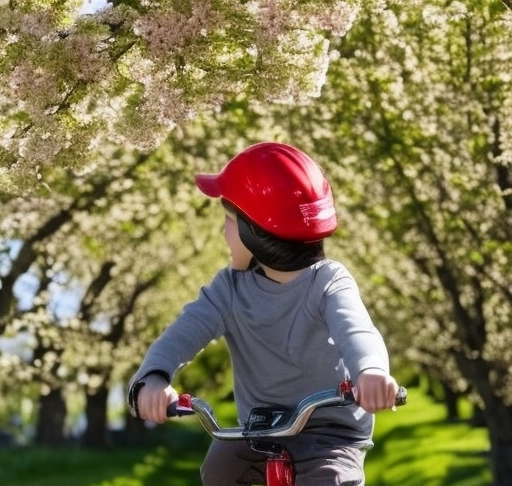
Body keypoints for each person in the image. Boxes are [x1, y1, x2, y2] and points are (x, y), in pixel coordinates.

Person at [128, 142, 400, 486]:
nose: (224, 232)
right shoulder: (228, 289)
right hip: (259, 429)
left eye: (230, 221)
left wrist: (371, 372)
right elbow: (185, 331)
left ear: (257, 231)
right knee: (220, 470)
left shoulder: (328, 282)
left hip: (330, 434)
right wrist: (154, 377)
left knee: (332, 480)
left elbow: (357, 330)